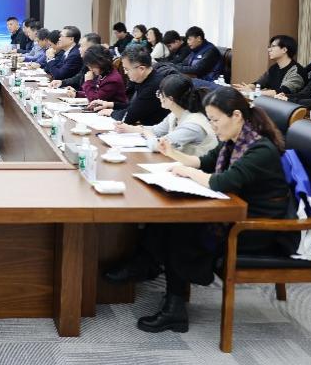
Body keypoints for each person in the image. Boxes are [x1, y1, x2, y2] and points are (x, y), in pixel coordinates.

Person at [106, 88, 297, 333]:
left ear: (236, 116)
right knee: (170, 216)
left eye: (215, 120)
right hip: (233, 211)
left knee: (181, 227)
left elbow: (221, 182)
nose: (212, 126)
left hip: (256, 229)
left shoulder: (260, 149)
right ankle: (149, 264)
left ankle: (170, 302)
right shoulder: (235, 140)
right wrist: (171, 153)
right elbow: (203, 162)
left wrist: (187, 172)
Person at [116, 74, 218, 157]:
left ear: (170, 99)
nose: (159, 97)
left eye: (160, 93)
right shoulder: (175, 114)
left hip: (197, 171)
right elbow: (156, 131)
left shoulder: (193, 125)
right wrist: (130, 128)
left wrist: (146, 133)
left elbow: (159, 146)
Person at [94, 45, 178, 125]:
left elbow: (128, 117)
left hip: (153, 131)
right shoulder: (145, 79)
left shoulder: (153, 86)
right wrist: (110, 104)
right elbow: (135, 106)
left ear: (141, 69)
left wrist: (111, 112)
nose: (125, 72)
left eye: (127, 69)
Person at [233, 35, 305, 97]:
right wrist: (245, 88)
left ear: (284, 50)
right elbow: (259, 83)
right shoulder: (274, 68)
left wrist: (253, 93)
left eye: (273, 46)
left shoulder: (296, 71)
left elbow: (282, 92)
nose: (269, 50)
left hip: (290, 106)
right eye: (269, 47)